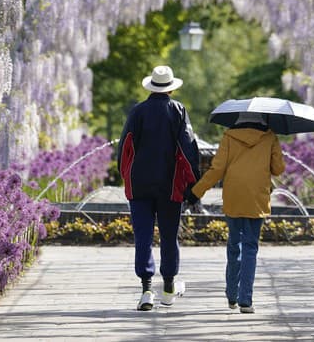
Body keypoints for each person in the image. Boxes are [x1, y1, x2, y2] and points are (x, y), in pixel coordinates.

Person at [117, 65, 200, 311]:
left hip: (139, 186)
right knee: (168, 236)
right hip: (170, 186)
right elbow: (188, 149)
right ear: (171, 88)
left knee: (142, 237)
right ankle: (168, 288)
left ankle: (145, 290)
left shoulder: (137, 112)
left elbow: (124, 150)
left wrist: (128, 179)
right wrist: (193, 184)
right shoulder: (178, 110)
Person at [184, 112, 285, 313]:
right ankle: (245, 300)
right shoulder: (270, 137)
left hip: (234, 195)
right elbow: (278, 169)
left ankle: (231, 295)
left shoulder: (230, 136)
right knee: (250, 247)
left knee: (234, 245)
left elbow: (217, 170)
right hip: (257, 196)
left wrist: (196, 192)